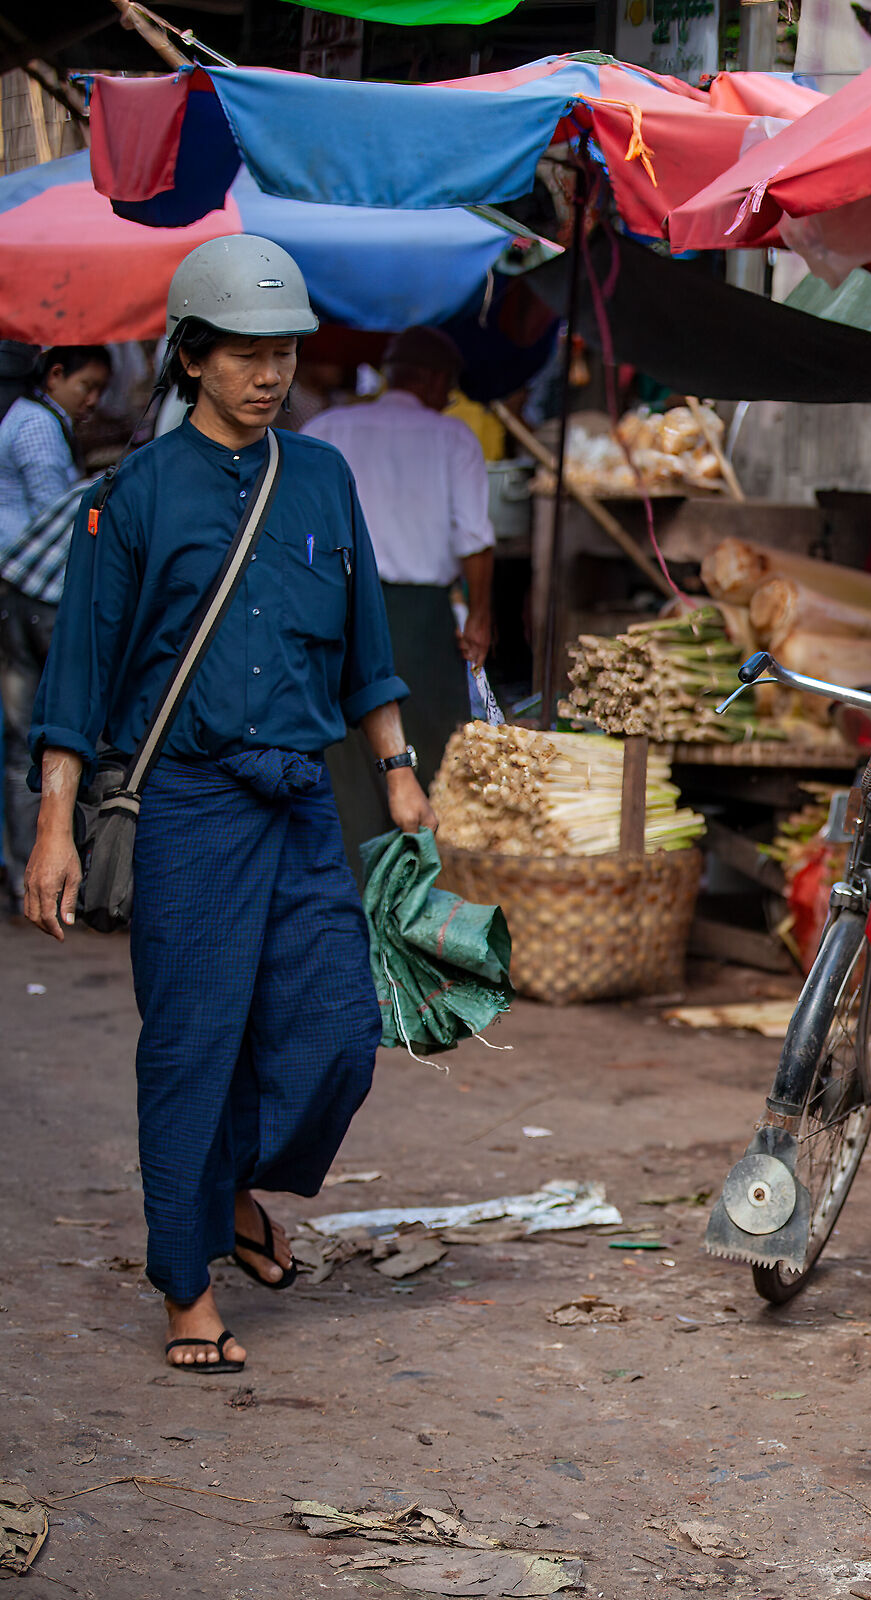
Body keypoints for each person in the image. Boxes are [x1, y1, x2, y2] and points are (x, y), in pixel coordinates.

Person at [20, 236, 435, 1374]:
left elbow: (366, 646)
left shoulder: (324, 477)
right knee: (193, 1045)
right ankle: (186, 1281)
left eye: (284, 352)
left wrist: (397, 768)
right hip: (189, 806)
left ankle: (233, 1186)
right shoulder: (134, 494)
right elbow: (77, 677)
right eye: (246, 353)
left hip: (299, 798)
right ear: (192, 358)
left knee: (338, 1031)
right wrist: (55, 826)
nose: (270, 373)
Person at [302, 325, 494, 872]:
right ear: (433, 380)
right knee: (427, 752)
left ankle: (353, 882)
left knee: (345, 754)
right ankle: (419, 885)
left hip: (335, 612)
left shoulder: (327, 427)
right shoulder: (453, 437)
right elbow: (475, 541)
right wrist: (480, 617)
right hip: (419, 621)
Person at [0, 345, 113, 895]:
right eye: (86, 386)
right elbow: (63, 522)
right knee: (56, 733)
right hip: (39, 596)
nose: (92, 400)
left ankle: (26, 871)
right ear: (55, 374)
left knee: (24, 736)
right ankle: (53, 871)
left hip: (16, 591)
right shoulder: (39, 429)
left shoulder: (30, 418)